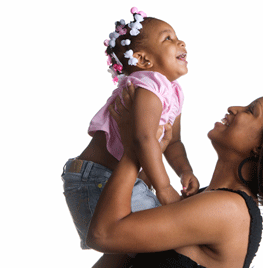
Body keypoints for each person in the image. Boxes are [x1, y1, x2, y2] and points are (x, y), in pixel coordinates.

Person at [86, 83, 263, 268]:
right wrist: (149, 155)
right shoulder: (208, 200)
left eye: (251, 111)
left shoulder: (228, 209)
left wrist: (136, 143)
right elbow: (117, 256)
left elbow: (103, 234)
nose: (234, 108)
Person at [61, 7, 199, 264]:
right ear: (144, 60)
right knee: (162, 244)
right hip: (98, 177)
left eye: (177, 36)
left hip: (110, 178)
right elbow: (143, 139)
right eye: (168, 38)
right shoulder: (148, 85)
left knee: (128, 254)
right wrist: (165, 189)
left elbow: (173, 142)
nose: (180, 42)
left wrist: (185, 171)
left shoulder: (174, 92)